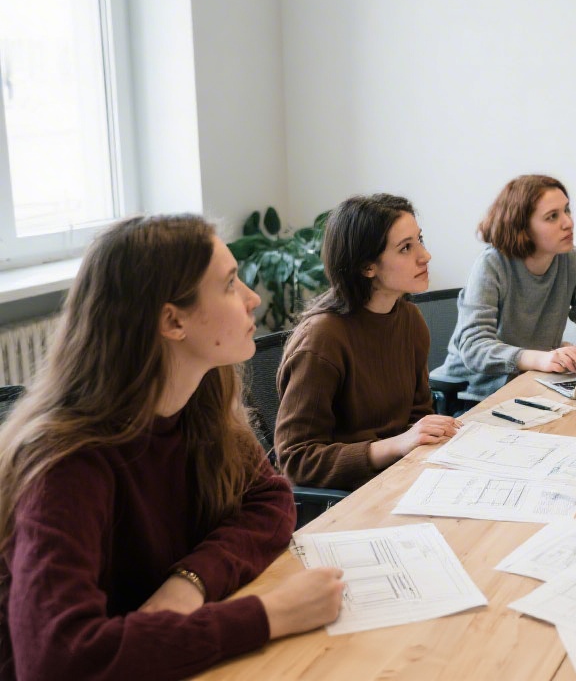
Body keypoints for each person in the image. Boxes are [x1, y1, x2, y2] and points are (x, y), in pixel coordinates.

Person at [0, 215, 344, 680]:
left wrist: (188, 583)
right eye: (228, 285)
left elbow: (270, 500)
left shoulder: (202, 398)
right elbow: (58, 658)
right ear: (172, 320)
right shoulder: (66, 463)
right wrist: (270, 615)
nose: (252, 298)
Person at [275, 194, 460, 491]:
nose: (425, 256)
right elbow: (298, 460)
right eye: (406, 248)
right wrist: (396, 445)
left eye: (420, 240)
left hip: (402, 477)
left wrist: (427, 435)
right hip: (349, 496)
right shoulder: (321, 340)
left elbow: (417, 415)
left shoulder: (409, 319)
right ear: (366, 267)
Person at [432, 174, 576, 403]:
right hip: (475, 394)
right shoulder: (492, 264)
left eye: (566, 210)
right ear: (522, 227)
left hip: (534, 385)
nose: (568, 222)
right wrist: (540, 359)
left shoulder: (571, 261)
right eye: (552, 216)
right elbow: (474, 348)